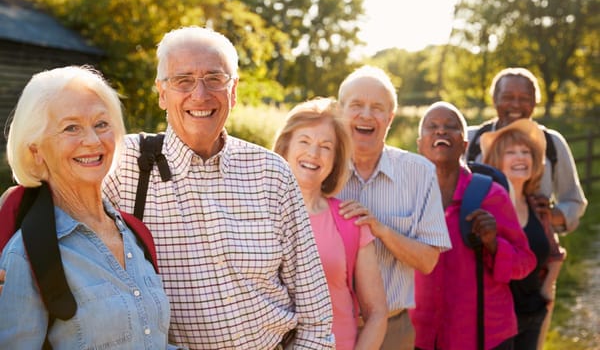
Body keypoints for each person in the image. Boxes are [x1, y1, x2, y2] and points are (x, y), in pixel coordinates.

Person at [102, 26, 334, 349]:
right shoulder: (122, 165)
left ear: (234, 90)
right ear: (161, 93)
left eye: (214, 78)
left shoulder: (272, 174)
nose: (200, 94)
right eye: (183, 80)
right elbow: (49, 196)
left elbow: (316, 317)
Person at [0, 66, 179, 349]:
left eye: (101, 124)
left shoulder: (136, 236)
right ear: (36, 151)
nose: (93, 141)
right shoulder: (25, 255)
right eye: (71, 127)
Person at [334, 66, 452, 350]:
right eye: (357, 105)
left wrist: (382, 230)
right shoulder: (318, 169)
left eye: (377, 108)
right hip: (328, 331)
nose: (366, 115)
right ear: (339, 111)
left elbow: (428, 261)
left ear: (390, 118)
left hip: (393, 332)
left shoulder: (420, 173)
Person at [410, 101, 536, 350]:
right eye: (431, 126)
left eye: (451, 127)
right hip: (420, 336)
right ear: (419, 144)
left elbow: (525, 262)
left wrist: (493, 243)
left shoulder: (490, 194)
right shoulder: (405, 196)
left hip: (484, 336)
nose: (441, 131)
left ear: (464, 145)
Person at [273, 97, 388, 350]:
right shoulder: (254, 214)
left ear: (335, 159)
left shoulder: (350, 221)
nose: (313, 154)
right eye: (304, 141)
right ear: (285, 147)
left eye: (326, 146)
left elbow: (377, 313)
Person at [466, 67, 587, 234]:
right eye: (508, 97)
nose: (516, 104)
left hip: (537, 252)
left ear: (535, 102)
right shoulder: (469, 140)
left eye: (524, 98)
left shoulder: (553, 143)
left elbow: (574, 201)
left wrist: (549, 217)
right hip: (478, 250)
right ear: (494, 99)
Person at [481, 119, 566, 349]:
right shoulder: (485, 207)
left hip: (534, 311)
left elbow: (555, 253)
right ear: (496, 160)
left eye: (526, 152)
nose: (521, 157)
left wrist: (547, 288)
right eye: (511, 152)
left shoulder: (537, 207)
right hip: (496, 318)